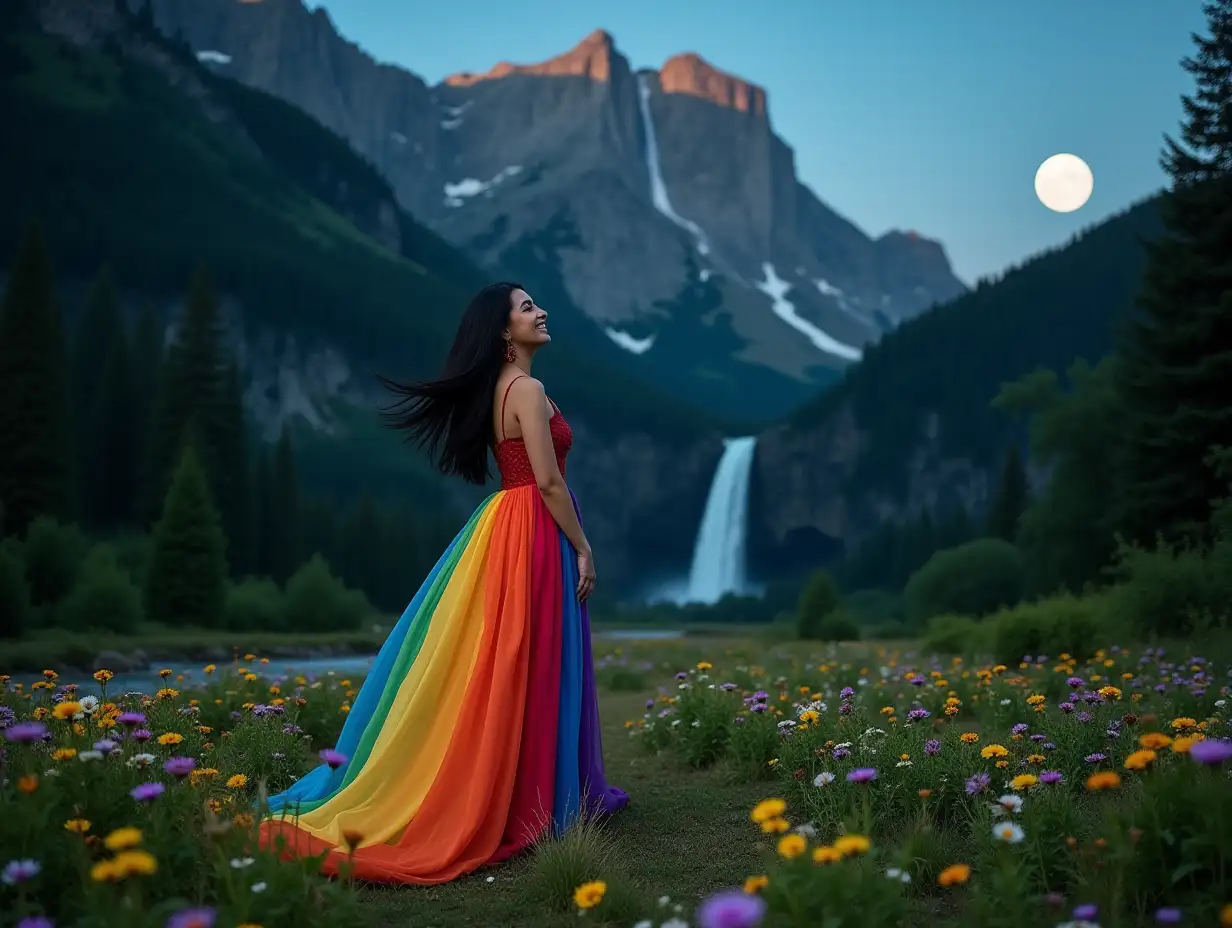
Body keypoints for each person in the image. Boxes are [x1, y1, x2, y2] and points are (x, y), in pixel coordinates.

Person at [257, 282, 629, 884]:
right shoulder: (527, 390)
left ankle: (528, 793)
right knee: (535, 657)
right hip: (534, 526)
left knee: (510, 657)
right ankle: (535, 800)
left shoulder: (503, 389)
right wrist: (584, 549)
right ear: (505, 331)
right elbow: (550, 482)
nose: (541, 311)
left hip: (506, 524)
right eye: (527, 306)